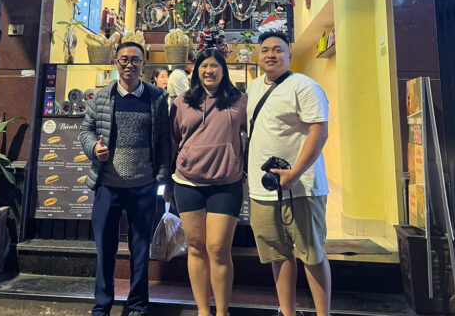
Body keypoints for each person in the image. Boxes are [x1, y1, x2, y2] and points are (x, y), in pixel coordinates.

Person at [80, 41, 170, 316]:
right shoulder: (102, 97)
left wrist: (161, 179)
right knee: (105, 249)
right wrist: (93, 148)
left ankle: (137, 305)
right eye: (124, 59)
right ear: (115, 62)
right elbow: (86, 131)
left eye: (135, 59)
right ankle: (102, 306)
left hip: (143, 186)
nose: (129, 64)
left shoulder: (157, 98)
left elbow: (163, 141)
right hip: (108, 186)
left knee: (140, 250)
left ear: (144, 64)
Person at [246, 31, 331, 316]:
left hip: (302, 187)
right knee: (278, 255)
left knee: (312, 254)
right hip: (263, 190)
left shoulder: (304, 86)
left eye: (278, 50)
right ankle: (287, 311)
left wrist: (294, 173)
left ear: (289, 56)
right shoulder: (253, 88)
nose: (270, 54)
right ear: (258, 56)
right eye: (265, 50)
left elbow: (319, 132)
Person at [165, 48, 247, 316]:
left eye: (214, 66)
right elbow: (173, 141)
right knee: (196, 248)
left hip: (227, 184)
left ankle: (222, 311)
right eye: (204, 66)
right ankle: (202, 310)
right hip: (187, 183)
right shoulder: (181, 102)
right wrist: (166, 181)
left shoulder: (239, 101)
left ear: (223, 70)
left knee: (218, 248)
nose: (209, 71)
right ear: (196, 71)